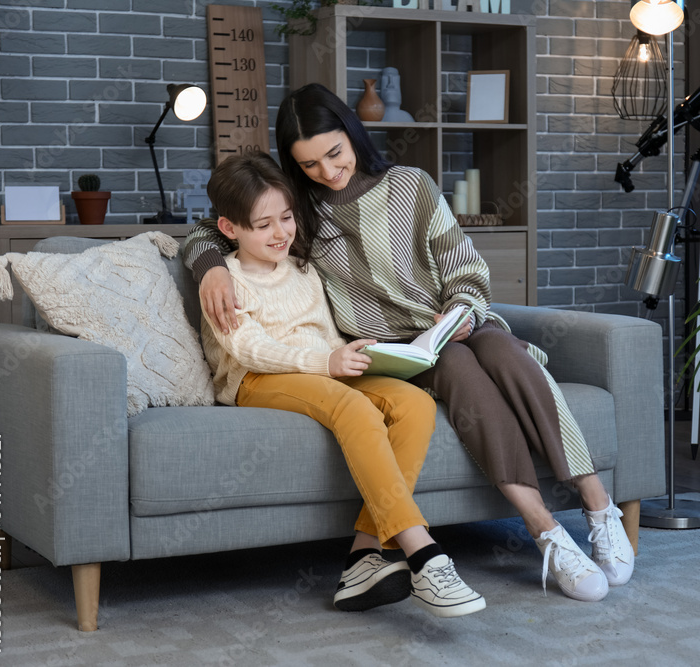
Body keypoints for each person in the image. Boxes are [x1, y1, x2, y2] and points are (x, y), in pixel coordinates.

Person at [185, 84, 634, 603]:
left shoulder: (411, 187)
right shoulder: (300, 213)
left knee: (504, 353)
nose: (328, 172)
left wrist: (462, 310)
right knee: (462, 372)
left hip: (451, 326)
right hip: (397, 351)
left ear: (353, 133)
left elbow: (464, 268)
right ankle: (545, 530)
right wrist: (210, 267)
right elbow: (213, 227)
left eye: (334, 153)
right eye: (308, 165)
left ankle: (599, 505)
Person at [198, 151, 485, 619]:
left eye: (287, 218)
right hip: (256, 379)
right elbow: (247, 348)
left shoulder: (304, 268)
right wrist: (324, 362)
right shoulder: (224, 281)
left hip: (321, 366)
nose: (280, 233)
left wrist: (350, 357)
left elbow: (326, 334)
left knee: (413, 403)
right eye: (263, 225)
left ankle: (362, 556)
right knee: (354, 409)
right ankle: (423, 554)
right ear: (230, 229)